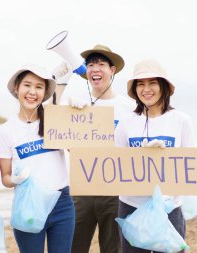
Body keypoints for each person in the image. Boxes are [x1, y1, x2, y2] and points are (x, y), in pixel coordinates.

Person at [54, 44, 135, 253]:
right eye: (90, 65)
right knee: (73, 246)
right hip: (82, 190)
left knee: (113, 248)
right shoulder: (80, 107)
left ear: (112, 70)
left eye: (101, 64)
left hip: (115, 192)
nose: (95, 68)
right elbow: (53, 131)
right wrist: (59, 85)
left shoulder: (128, 108)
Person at [114, 59, 196, 253]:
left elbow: (192, 163)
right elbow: (115, 166)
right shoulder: (126, 124)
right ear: (135, 89)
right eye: (140, 84)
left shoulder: (181, 121)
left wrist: (166, 156)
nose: (146, 89)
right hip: (131, 206)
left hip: (169, 207)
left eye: (152, 83)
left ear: (163, 86)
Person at [0, 64, 75, 253]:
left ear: (45, 92)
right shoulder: (6, 131)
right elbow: (5, 178)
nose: (32, 92)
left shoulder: (54, 120)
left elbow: (79, 150)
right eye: (27, 85)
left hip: (62, 203)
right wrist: (14, 179)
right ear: (17, 88)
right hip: (28, 205)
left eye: (39, 87)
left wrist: (78, 109)